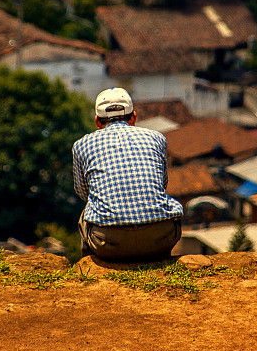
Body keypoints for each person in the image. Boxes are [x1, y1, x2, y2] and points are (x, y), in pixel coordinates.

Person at [73, 88, 183, 261]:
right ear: (133, 117)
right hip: (160, 240)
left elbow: (83, 193)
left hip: (108, 245)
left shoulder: (82, 145)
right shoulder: (157, 138)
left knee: (87, 211)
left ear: (97, 121)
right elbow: (162, 184)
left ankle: (88, 268)